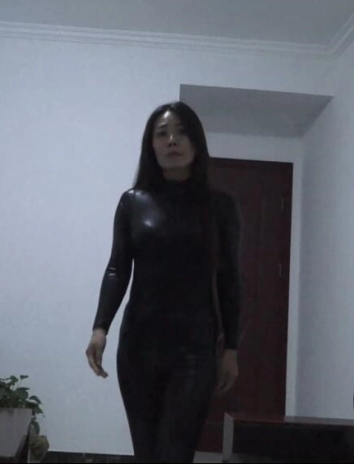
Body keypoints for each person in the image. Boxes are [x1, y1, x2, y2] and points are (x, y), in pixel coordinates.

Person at [85, 101, 242, 463]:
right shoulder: (133, 203)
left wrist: (232, 348)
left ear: (196, 143)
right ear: (151, 145)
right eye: (162, 134)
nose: (172, 140)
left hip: (194, 351)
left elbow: (230, 279)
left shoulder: (220, 207)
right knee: (147, 453)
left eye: (182, 132)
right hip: (138, 347)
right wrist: (100, 328)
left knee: (175, 453)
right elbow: (117, 269)